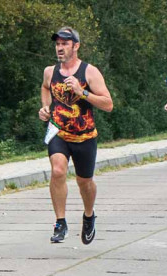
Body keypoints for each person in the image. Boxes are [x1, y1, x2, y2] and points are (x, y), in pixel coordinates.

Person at [39, 27, 114, 245]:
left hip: (85, 136)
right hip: (58, 133)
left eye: (65, 44)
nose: (60, 48)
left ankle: (89, 215)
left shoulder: (89, 72)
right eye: (57, 44)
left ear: (76, 46)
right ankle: (60, 222)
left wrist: (83, 93)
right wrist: (45, 108)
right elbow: (45, 88)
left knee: (85, 182)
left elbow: (108, 104)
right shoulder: (50, 72)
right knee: (58, 170)